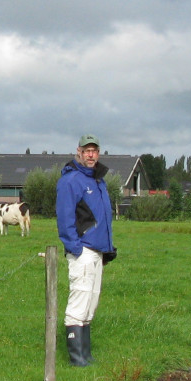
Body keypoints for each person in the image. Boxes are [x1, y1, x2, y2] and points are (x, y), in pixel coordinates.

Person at [55, 135, 116, 367]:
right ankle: (77, 358)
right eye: (86, 150)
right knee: (79, 300)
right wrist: (75, 248)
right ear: (78, 152)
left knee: (91, 302)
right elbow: (65, 217)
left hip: (99, 251)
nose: (91, 155)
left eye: (95, 151)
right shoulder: (71, 181)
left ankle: (86, 355)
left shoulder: (99, 181)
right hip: (83, 251)